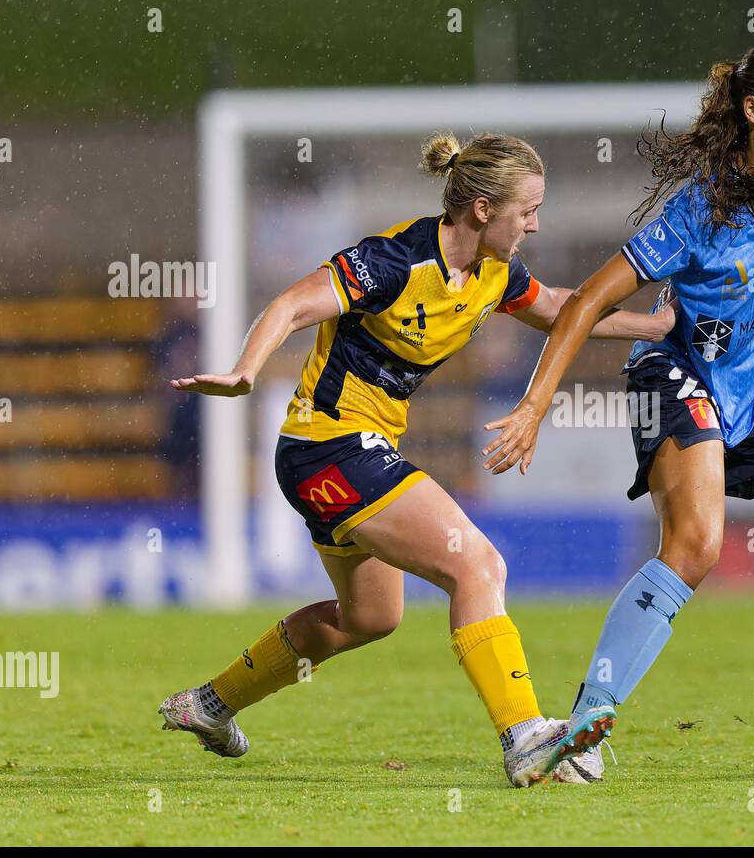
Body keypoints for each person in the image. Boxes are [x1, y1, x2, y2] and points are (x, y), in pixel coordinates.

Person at [161, 131, 673, 787]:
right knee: (477, 563)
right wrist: (244, 371)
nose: (536, 224)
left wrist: (650, 327)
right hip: (328, 443)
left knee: (371, 618)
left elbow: (560, 310)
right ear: (484, 209)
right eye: (527, 210)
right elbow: (292, 304)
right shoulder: (393, 260)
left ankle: (210, 705)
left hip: (344, 454)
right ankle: (524, 737)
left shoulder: (495, 273)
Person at [482, 42, 754, 782]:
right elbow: (590, 299)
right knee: (696, 545)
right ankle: (583, 727)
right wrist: (534, 405)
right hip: (676, 374)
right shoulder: (696, 209)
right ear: (753, 111)